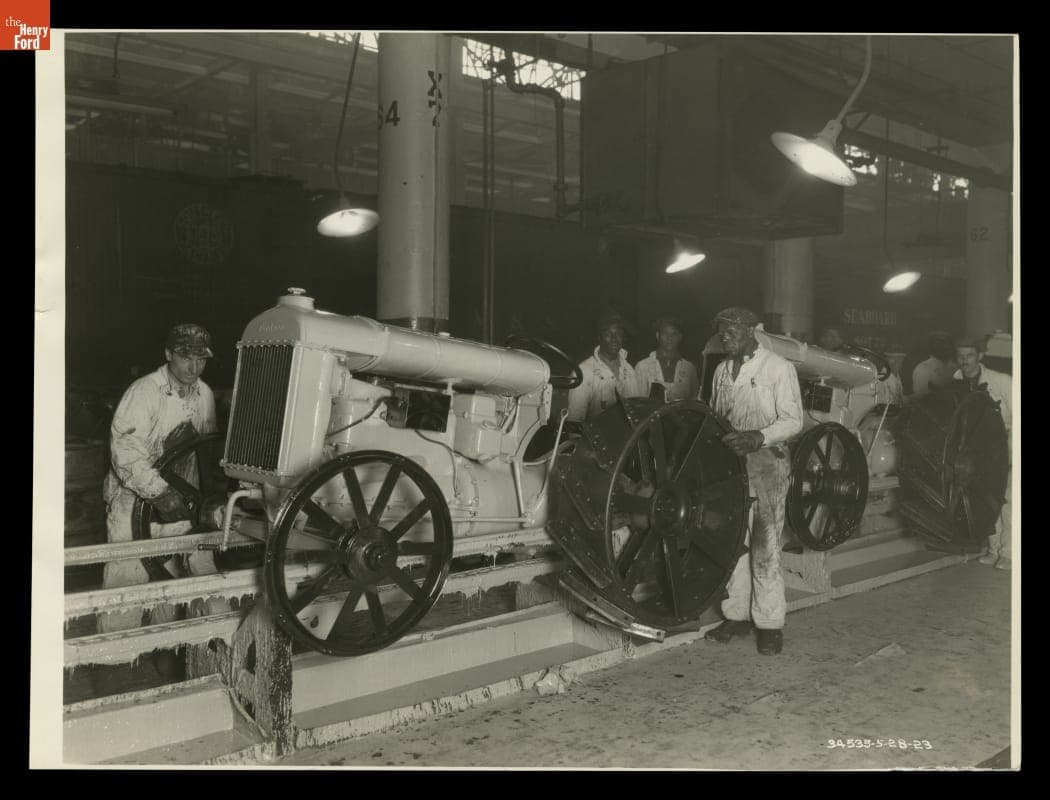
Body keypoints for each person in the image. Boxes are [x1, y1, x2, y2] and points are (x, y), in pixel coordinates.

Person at [98, 323, 228, 644]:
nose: (193, 368)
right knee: (126, 585)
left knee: (171, 586)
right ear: (168, 354)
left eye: (201, 360)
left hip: (187, 501)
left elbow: (205, 451)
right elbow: (125, 451)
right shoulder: (144, 392)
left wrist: (209, 498)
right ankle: (115, 658)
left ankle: (163, 648)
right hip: (134, 502)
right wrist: (158, 492)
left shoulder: (205, 393)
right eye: (185, 358)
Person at [702, 307, 803, 656]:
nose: (724, 337)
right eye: (721, 332)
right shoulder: (720, 371)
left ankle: (770, 624)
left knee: (765, 544)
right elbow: (716, 416)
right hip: (730, 466)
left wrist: (758, 437)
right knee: (733, 541)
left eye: (730, 331)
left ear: (750, 332)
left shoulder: (778, 367)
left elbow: (794, 421)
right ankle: (737, 615)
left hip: (766, 463)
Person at [955, 336, 1013, 571]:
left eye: (969, 356)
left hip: (1007, 446)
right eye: (960, 356)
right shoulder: (957, 380)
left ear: (980, 356)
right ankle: (994, 548)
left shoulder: (1002, 380)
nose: (964, 361)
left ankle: (1009, 553)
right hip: (979, 452)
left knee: (1007, 500)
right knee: (987, 500)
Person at [567, 313, 643, 422]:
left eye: (618, 334)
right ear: (599, 337)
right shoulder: (584, 371)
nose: (614, 338)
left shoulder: (629, 369)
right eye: (608, 333)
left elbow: (637, 411)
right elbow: (574, 420)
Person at [634, 316, 700, 403]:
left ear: (680, 337)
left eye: (674, 334)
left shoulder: (689, 368)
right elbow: (638, 403)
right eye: (665, 333)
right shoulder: (642, 366)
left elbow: (694, 401)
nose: (669, 338)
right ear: (658, 336)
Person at [911, 332, 957, 396]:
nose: (945, 347)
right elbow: (921, 397)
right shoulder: (923, 368)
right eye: (939, 343)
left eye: (947, 343)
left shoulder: (954, 367)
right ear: (931, 346)